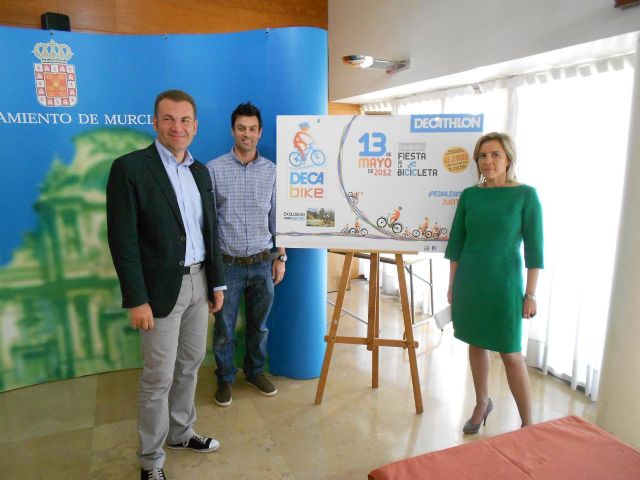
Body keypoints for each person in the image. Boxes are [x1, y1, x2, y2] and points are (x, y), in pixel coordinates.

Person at [106, 89, 226, 480]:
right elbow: (122, 239)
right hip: (158, 292)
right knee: (158, 377)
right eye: (169, 119)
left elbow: (211, 233)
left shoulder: (200, 171)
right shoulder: (130, 168)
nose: (178, 127)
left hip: (199, 282)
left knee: (190, 365)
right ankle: (151, 460)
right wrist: (136, 299)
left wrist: (217, 285)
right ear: (154, 122)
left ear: (195, 125)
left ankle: (181, 432)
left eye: (185, 120)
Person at [444, 132, 543, 434]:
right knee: (475, 343)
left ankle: (528, 425)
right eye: (482, 156)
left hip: (504, 283)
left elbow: (535, 250)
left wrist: (530, 294)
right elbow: (457, 242)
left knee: (511, 354)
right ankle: (481, 403)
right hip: (470, 280)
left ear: (509, 158)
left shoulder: (526, 195)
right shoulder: (470, 195)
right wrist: (452, 284)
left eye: (495, 155)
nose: (488, 161)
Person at [207, 102, 286, 407]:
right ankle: (225, 378)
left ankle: (254, 372)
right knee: (224, 329)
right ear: (233, 130)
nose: (247, 134)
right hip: (227, 266)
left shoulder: (271, 171)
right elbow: (210, 223)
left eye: (252, 129)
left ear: (260, 132)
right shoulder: (214, 169)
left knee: (259, 325)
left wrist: (281, 257)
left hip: (263, 263)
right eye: (241, 128)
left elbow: (277, 218)